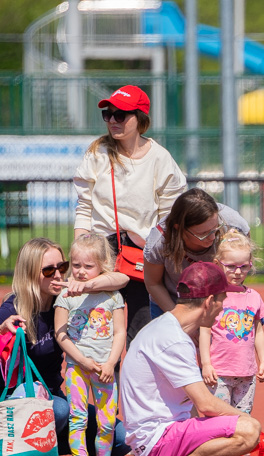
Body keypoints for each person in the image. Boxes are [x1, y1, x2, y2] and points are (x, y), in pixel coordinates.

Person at [120, 262, 260, 456]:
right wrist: (253, 428)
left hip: (171, 434)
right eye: (222, 301)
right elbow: (205, 404)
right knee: (248, 430)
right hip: (158, 438)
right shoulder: (172, 339)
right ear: (209, 302)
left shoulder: (171, 329)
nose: (222, 310)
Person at [0, 238, 130, 456]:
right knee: (59, 409)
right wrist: (2, 327)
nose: (58, 275)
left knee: (121, 436)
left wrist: (87, 284)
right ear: (30, 273)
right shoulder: (17, 304)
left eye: (62, 267)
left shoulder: (66, 301)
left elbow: (121, 280)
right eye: (48, 270)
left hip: (51, 398)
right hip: (17, 404)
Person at [73, 85, 187, 343]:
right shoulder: (97, 153)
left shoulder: (160, 158)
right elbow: (84, 207)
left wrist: (154, 248)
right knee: (99, 338)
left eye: (120, 115)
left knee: (142, 335)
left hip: (141, 253)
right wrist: (79, 252)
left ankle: (138, 384)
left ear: (141, 119)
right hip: (100, 251)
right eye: (108, 114)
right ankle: (106, 384)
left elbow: (170, 216)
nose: (112, 120)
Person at [53, 233, 131, 456]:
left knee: (107, 420)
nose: (82, 272)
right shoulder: (66, 296)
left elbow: (120, 332)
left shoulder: (112, 296)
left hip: (105, 369)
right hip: (78, 368)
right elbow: (61, 334)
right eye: (76, 265)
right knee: (78, 418)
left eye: (89, 266)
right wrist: (82, 360)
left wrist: (111, 363)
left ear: (102, 266)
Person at [144, 188, 250, 317]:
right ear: (180, 229)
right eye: (202, 234)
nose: (212, 237)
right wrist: (178, 319)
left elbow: (243, 257)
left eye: (215, 230)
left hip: (218, 303)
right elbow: (154, 283)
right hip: (173, 303)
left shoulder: (233, 224)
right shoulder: (160, 241)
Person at [199, 230, 264, 414]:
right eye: (231, 266)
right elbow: (205, 330)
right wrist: (206, 364)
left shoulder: (254, 297)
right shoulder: (214, 297)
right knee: (218, 419)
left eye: (244, 267)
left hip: (246, 373)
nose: (238, 272)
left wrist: (263, 361)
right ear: (217, 264)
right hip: (219, 373)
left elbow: (258, 331)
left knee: (243, 418)